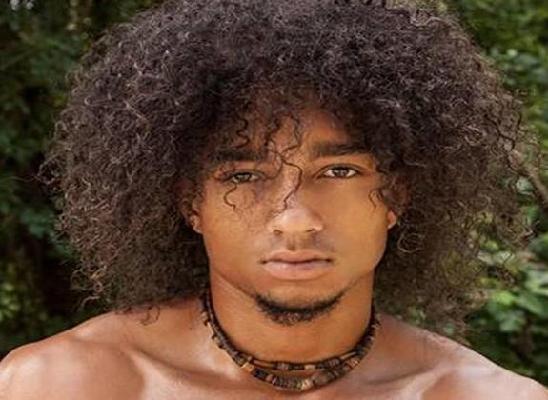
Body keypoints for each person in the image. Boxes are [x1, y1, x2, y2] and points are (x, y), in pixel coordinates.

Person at [0, 0, 546, 398]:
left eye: (338, 171)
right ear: (191, 201)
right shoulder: (55, 386)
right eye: (244, 175)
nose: (295, 220)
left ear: (395, 195)